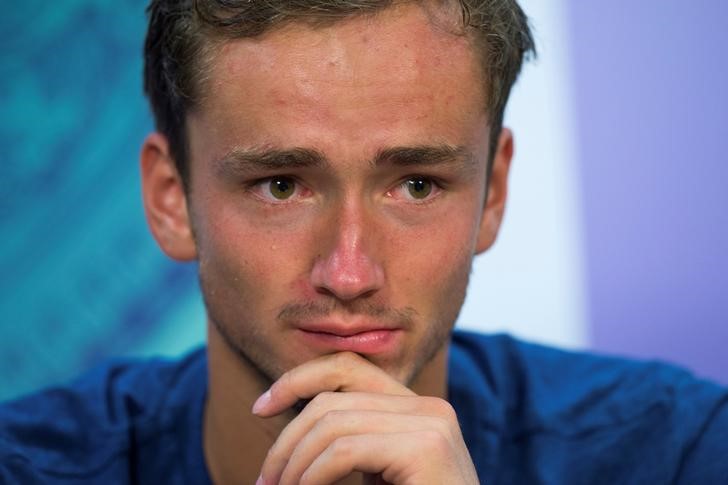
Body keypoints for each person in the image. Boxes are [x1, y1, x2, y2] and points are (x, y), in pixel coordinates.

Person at [1, 0, 727, 483]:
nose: (348, 273)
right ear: (172, 200)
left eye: (415, 184)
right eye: (281, 184)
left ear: (493, 193)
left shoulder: (677, 453)